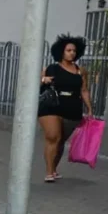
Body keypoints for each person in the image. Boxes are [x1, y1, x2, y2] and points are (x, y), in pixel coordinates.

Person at [38, 34, 93, 182]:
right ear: (61, 51)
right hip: (51, 106)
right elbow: (37, 84)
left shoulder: (81, 70)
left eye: (74, 50)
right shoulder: (52, 68)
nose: (71, 53)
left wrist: (89, 109)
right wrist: (44, 80)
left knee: (60, 140)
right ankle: (49, 173)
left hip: (72, 108)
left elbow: (84, 90)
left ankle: (54, 169)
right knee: (53, 137)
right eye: (68, 50)